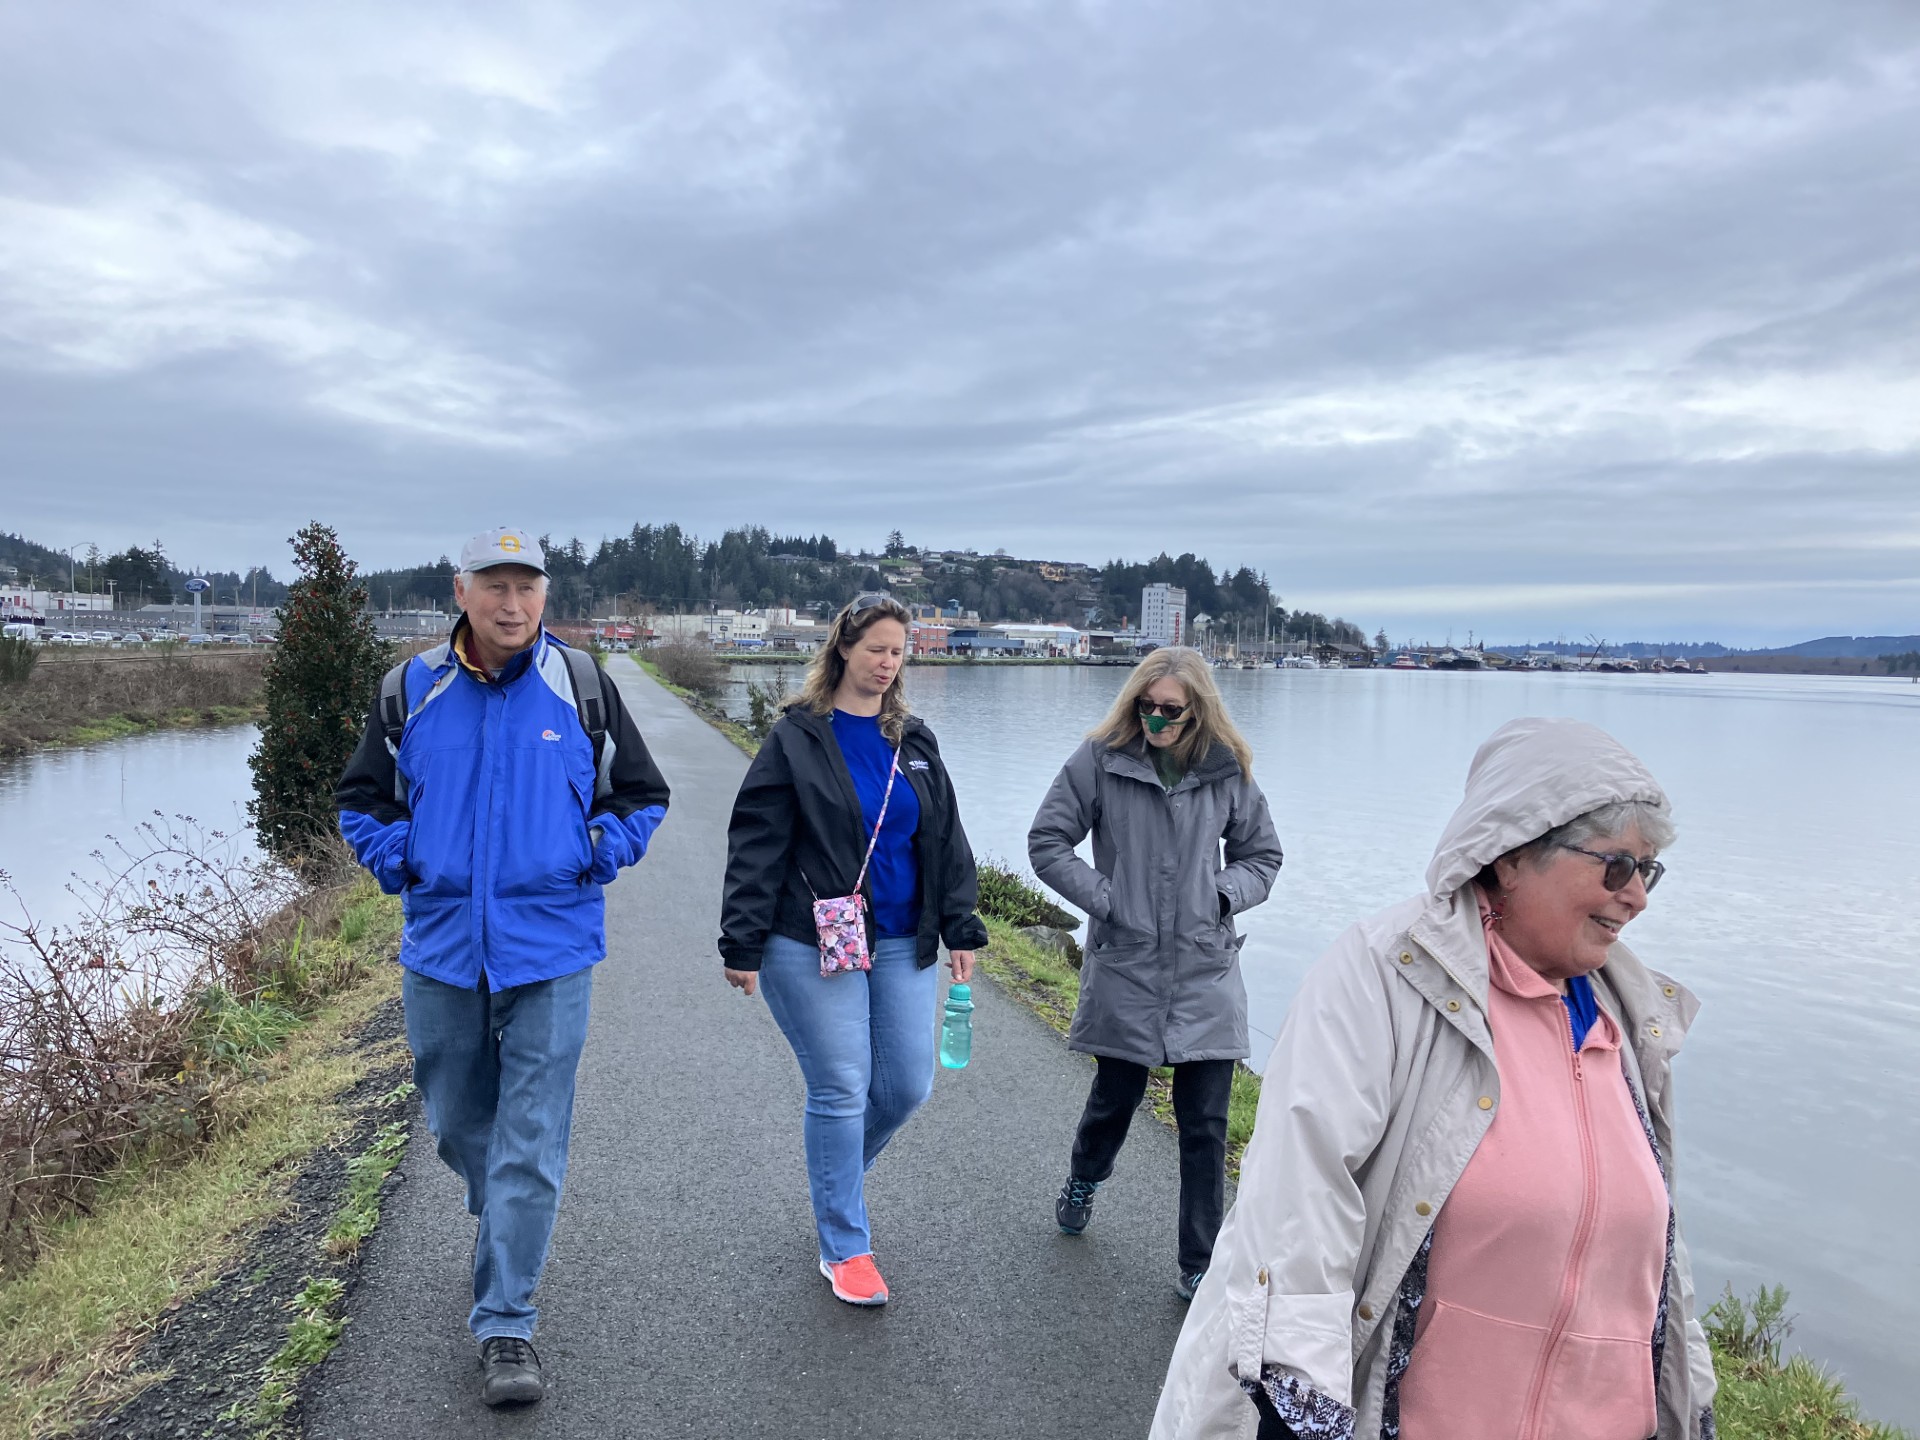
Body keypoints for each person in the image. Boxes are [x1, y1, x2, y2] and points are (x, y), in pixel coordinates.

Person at [1152, 717, 1718, 1440]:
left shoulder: (1632, 1019)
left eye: (1649, 871)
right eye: (1616, 867)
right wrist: (1302, 1410)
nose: (1637, 896)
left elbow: (1662, 1263)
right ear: (1512, 854)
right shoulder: (1385, 975)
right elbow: (1300, 1206)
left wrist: (1692, 1402)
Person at [334, 527, 669, 1408]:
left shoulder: (583, 687)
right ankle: (508, 1226)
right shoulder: (411, 689)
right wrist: (401, 859)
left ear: (545, 598)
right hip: (441, 948)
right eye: (496, 587)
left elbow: (643, 795)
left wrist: (596, 851)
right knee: (456, 1126)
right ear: (461, 592)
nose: (513, 605)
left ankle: (506, 1323)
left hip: (553, 949)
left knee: (531, 1141)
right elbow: (361, 799)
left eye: (528, 588)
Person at [718, 592, 987, 1307]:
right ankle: (845, 1244)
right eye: (876, 650)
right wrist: (740, 941)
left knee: (904, 1086)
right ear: (842, 648)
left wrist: (962, 926)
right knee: (840, 1085)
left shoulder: (914, 739)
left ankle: (834, 1183)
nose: (888, 663)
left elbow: (946, 838)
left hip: (902, 937)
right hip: (809, 937)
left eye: (899, 652)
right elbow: (756, 842)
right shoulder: (800, 737)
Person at [1028, 645, 1283, 1300]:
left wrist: (1222, 895)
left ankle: (1199, 1265)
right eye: (1147, 706)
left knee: (1205, 1125)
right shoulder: (1098, 760)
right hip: (1129, 962)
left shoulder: (1228, 772)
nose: (1158, 721)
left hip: (1205, 966)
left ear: (1197, 712)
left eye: (1172, 711)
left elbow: (1262, 855)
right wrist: (1108, 899)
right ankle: (1085, 1176)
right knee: (1114, 1100)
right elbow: (1048, 842)